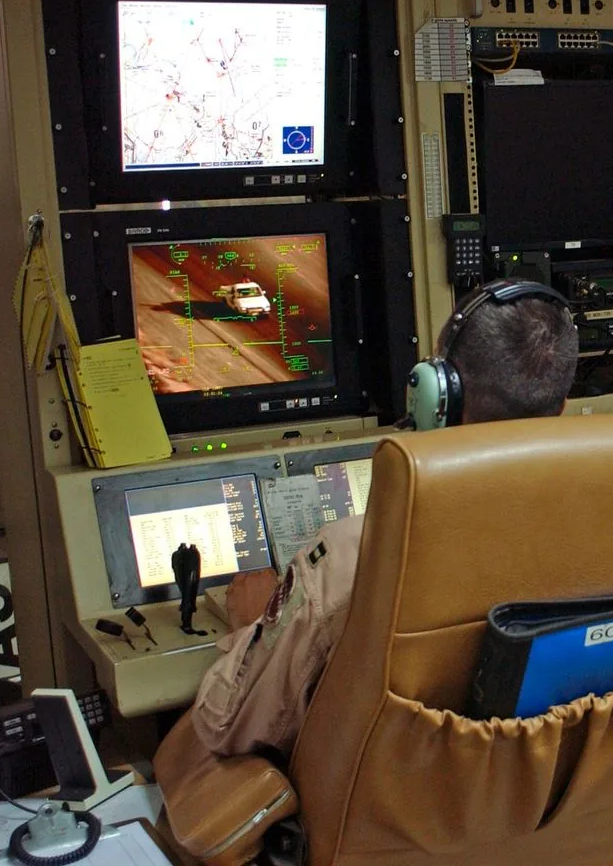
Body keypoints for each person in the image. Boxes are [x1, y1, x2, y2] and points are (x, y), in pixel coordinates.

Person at [192, 283, 579, 757]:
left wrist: (250, 627)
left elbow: (224, 726)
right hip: (554, 820)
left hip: (390, 827)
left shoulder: (354, 560)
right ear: (562, 407)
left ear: (438, 396)